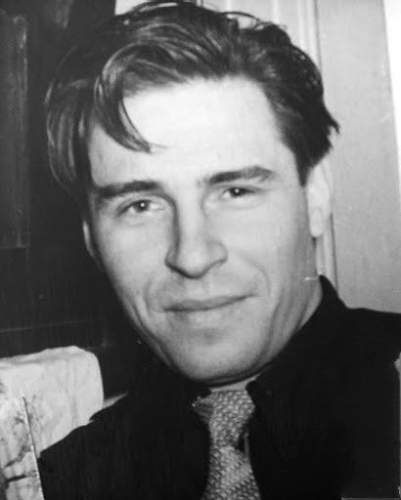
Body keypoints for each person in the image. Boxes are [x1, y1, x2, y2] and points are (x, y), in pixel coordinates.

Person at [39, 1, 401, 498]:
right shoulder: (64, 480)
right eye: (140, 205)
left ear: (315, 197)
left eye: (235, 191)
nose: (192, 256)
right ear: (91, 239)